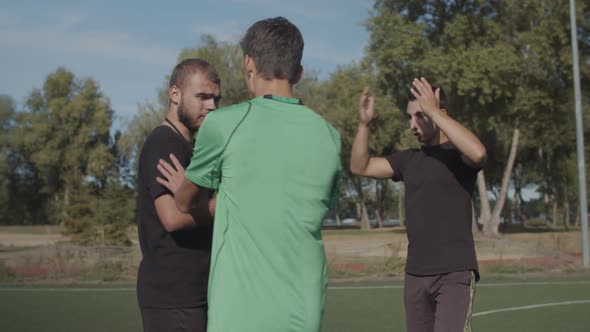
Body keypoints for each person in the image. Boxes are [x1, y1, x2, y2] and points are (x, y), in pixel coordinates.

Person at [157, 17, 342, 332]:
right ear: (298, 72)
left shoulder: (223, 124)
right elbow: (319, 205)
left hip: (240, 309)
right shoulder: (329, 135)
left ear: (248, 63)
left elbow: (186, 204)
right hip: (304, 306)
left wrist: (181, 188)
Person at [350, 78, 487, 332]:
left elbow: (479, 153)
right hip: (415, 276)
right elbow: (360, 166)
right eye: (410, 118)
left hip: (454, 274)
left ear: (439, 114)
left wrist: (434, 111)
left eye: (420, 116)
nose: (412, 125)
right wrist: (363, 124)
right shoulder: (408, 160)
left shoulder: (459, 156)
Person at [136, 58, 221, 332]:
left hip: (193, 294)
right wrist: (223, 206)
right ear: (175, 94)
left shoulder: (190, 148)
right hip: (173, 297)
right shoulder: (164, 143)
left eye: (215, 99)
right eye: (203, 97)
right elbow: (172, 217)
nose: (212, 106)